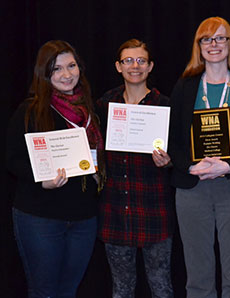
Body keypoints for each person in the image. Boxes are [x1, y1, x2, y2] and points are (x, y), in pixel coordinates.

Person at [168, 16, 230, 298]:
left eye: (221, 38)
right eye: (206, 39)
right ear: (198, 46)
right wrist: (191, 166)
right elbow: (172, 140)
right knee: (197, 274)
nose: (214, 44)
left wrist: (228, 166)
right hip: (192, 188)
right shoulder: (184, 87)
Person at [6, 40, 104, 298]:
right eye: (57, 69)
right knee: (45, 292)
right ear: (45, 74)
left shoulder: (90, 110)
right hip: (40, 217)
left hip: (84, 218)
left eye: (71, 66)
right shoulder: (31, 111)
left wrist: (98, 170)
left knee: (68, 291)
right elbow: (12, 159)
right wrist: (42, 180)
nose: (67, 74)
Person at [95, 39, 174, 298]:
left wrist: (169, 161)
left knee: (161, 284)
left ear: (150, 66)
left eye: (141, 60)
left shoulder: (165, 106)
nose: (135, 66)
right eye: (128, 60)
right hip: (115, 209)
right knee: (121, 288)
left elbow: (180, 156)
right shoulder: (104, 105)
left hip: (154, 209)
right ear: (118, 66)